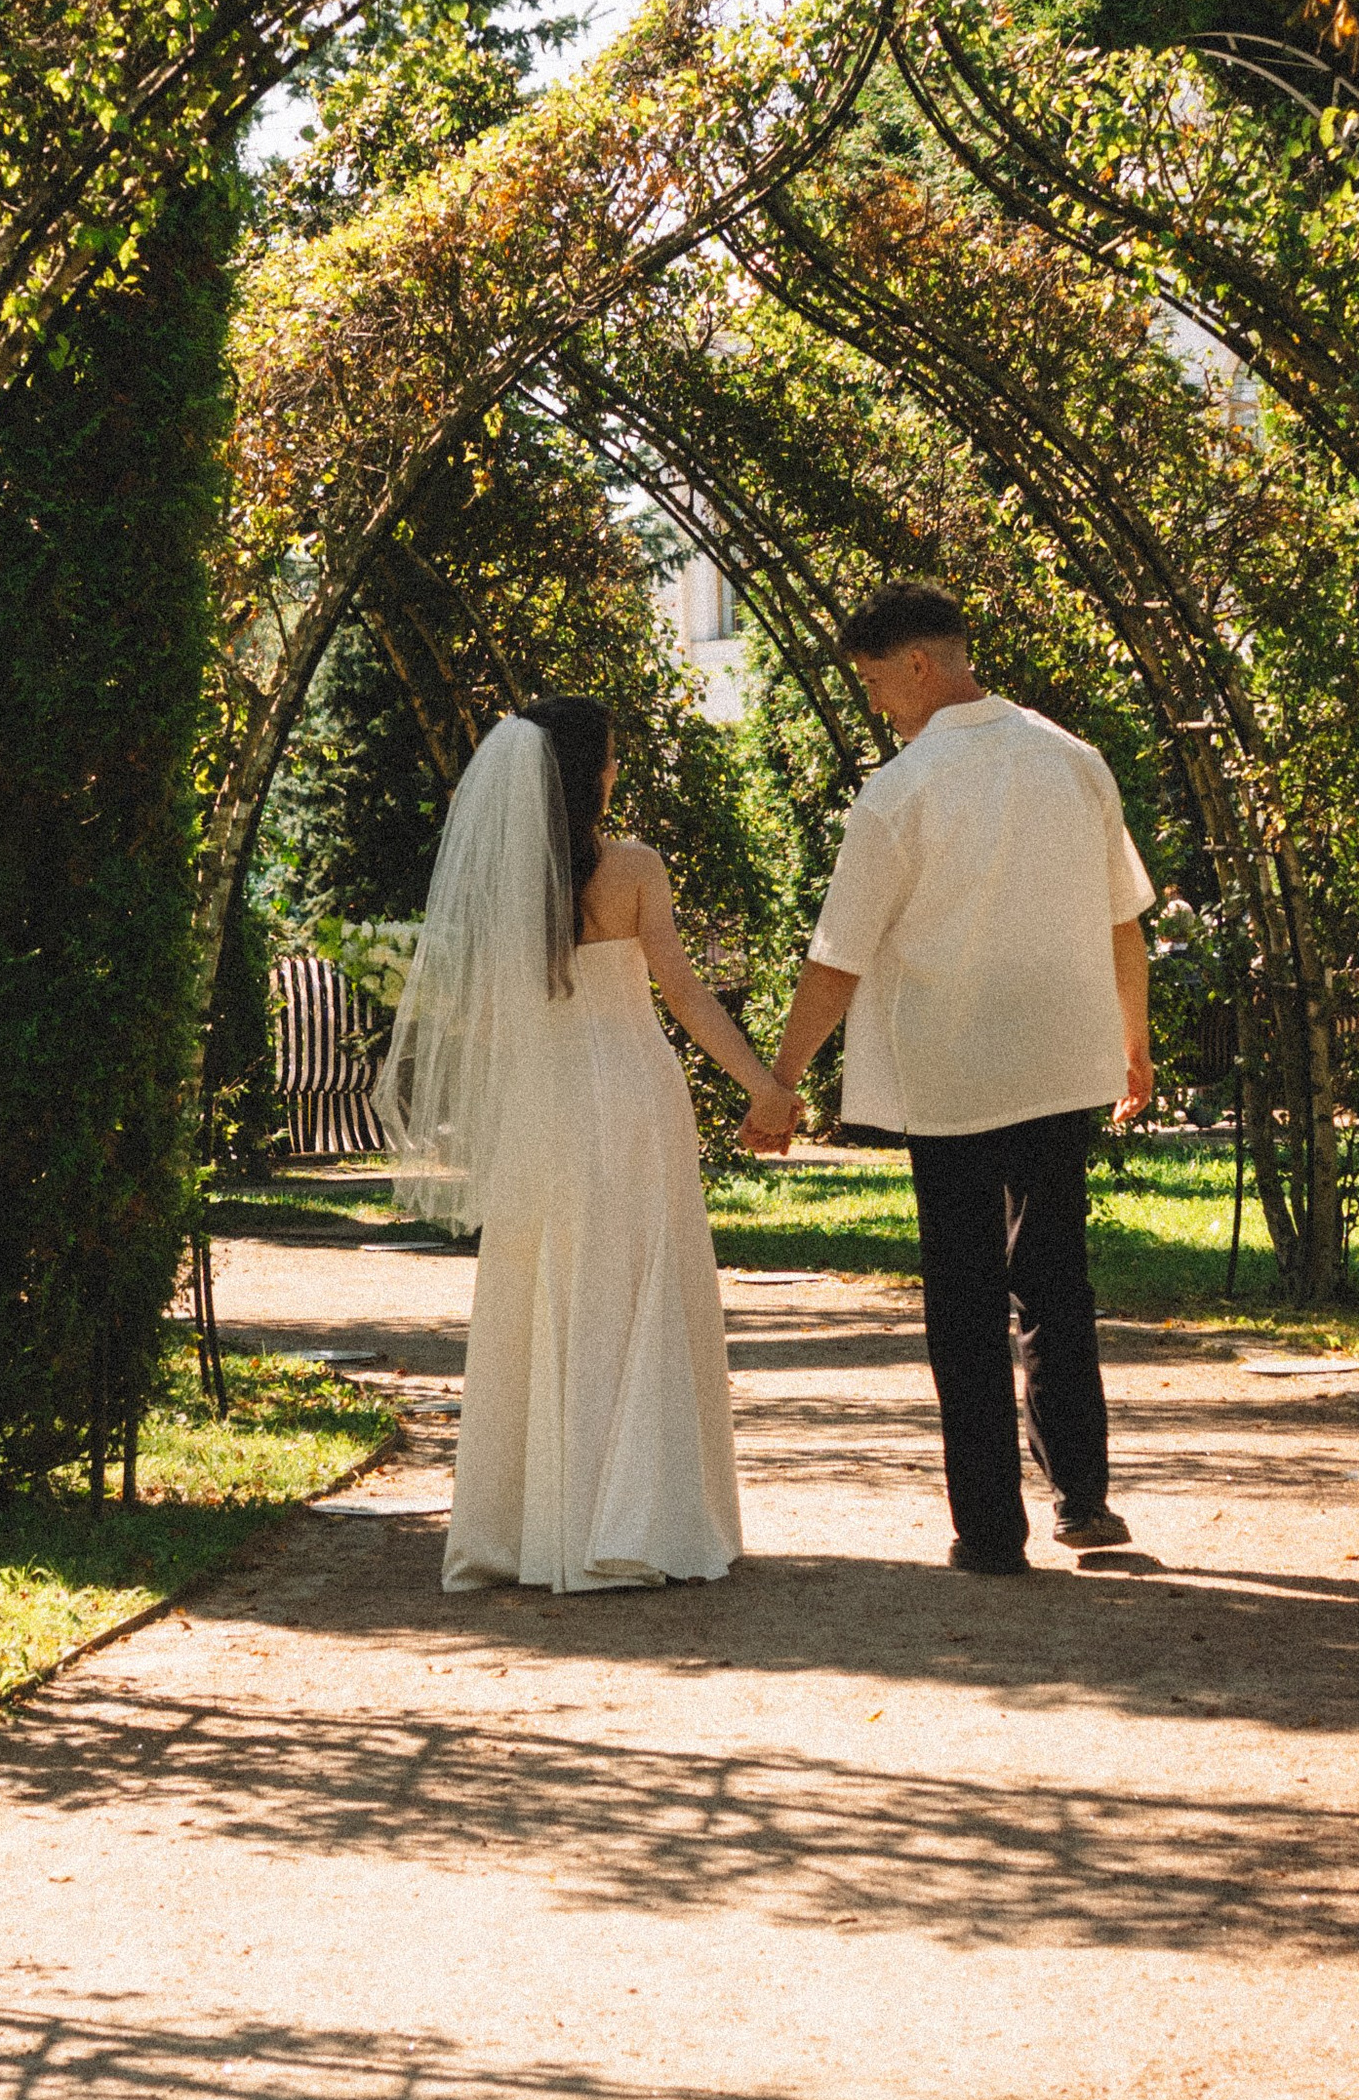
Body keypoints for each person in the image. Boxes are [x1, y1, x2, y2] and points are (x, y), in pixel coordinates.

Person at [755, 586, 1155, 1575]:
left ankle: (988, 1529)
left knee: (964, 1299)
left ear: (922, 665)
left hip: (952, 1071)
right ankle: (1082, 1500)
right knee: (1058, 1285)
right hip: (1063, 1059)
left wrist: (783, 1078)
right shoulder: (1073, 760)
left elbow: (837, 953)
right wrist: (1132, 1044)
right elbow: (1123, 922)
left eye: (877, 682)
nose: (877, 704)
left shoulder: (903, 790)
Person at [379, 696, 799, 1593]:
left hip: (547, 1101)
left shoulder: (508, 884)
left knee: (546, 1286)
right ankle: (641, 1515)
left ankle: (536, 1524)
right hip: (635, 1094)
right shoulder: (637, 867)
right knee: (638, 1281)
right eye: (610, 758)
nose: (615, 771)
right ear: (591, 773)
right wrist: (764, 1086)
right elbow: (684, 996)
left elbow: (482, 1021)